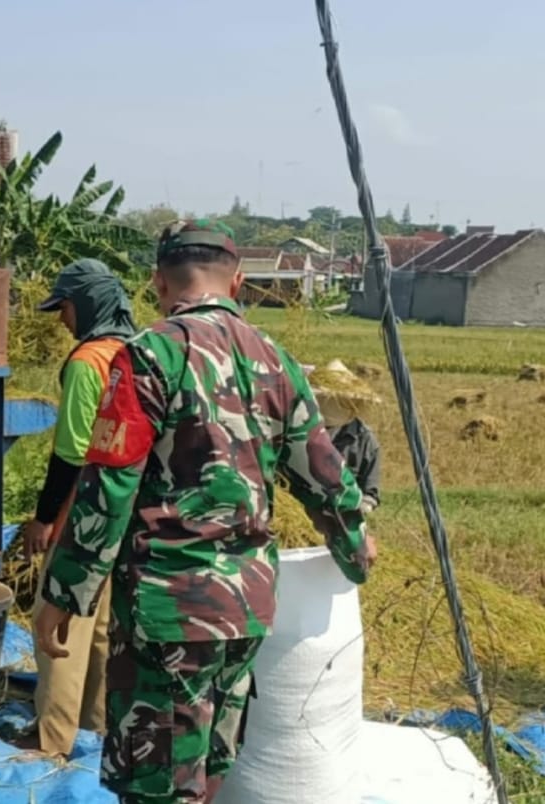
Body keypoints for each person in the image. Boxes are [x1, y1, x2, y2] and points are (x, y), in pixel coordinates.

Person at [34, 219, 376, 804]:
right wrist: (355, 547)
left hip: (169, 613)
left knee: (161, 786)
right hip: (245, 610)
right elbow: (324, 475)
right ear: (237, 282)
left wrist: (65, 593)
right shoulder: (277, 361)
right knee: (211, 768)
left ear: (158, 283)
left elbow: (109, 486)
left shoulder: (149, 356)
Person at [16, 258, 137, 758]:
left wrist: (46, 520)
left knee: (59, 619)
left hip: (86, 512)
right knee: (103, 624)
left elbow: (72, 455)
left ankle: (51, 738)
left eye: (64, 308)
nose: (62, 320)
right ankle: (96, 727)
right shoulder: (138, 350)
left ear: (86, 305)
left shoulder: (88, 362)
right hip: (128, 509)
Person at [309, 359, 382, 513]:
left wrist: (361, 506)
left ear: (350, 403)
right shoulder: (299, 431)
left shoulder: (364, 440)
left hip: (343, 516)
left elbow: (370, 492)